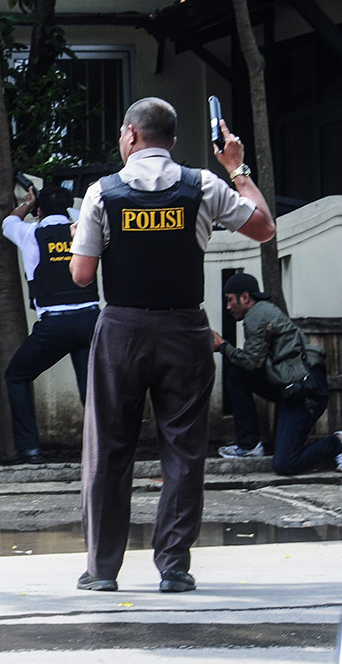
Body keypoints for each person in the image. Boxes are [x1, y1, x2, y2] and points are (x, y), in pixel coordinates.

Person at [69, 97, 276, 593]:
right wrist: (237, 167)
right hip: (185, 331)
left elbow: (81, 275)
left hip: (121, 331)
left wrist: (81, 237)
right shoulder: (202, 184)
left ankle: (102, 570)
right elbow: (264, 227)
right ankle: (174, 568)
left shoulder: (102, 192)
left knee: (108, 450)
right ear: (174, 141)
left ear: (131, 135)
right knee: (183, 450)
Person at [1, 184, 100, 465]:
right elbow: (81, 214)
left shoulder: (31, 233)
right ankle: (103, 450)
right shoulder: (84, 228)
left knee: (16, 376)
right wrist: (60, 207)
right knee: (91, 390)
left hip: (54, 325)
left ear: (40, 210)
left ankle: (29, 449)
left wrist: (28, 204)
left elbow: (8, 222)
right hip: (90, 321)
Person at [212, 273, 342, 474]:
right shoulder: (264, 311)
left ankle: (337, 443)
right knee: (238, 376)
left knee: (285, 464)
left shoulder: (256, 315)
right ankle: (250, 446)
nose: (228, 307)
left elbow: (252, 363)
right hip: (293, 389)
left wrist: (223, 346)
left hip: (306, 393)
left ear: (245, 297)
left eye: (230, 300)